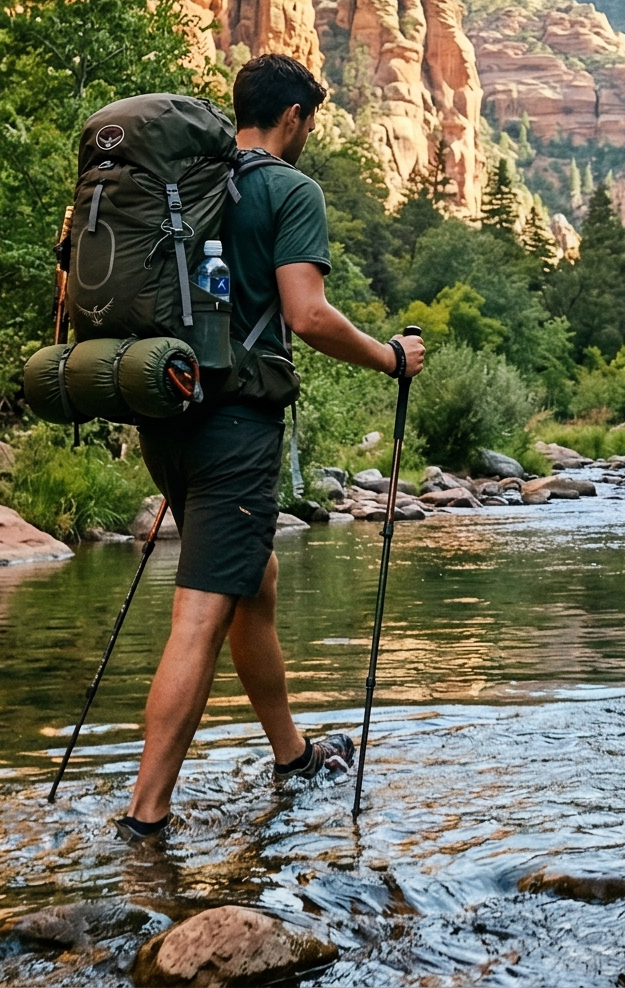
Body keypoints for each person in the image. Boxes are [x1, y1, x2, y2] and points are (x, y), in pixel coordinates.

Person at [116, 54, 426, 843]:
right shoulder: (288, 189)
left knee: (256, 575)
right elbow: (309, 316)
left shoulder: (184, 185)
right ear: (293, 118)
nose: (309, 137)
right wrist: (391, 357)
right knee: (199, 616)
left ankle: (290, 755)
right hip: (234, 427)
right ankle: (145, 820)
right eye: (310, 123)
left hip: (165, 409)